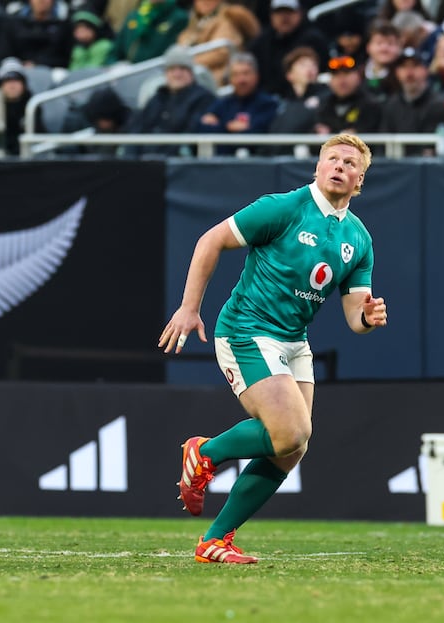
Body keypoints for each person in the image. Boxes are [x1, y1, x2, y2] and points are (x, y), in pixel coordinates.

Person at [158, 133, 388, 564]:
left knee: (293, 447)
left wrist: (368, 318)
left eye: (350, 163)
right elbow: (210, 241)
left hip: (293, 341)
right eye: (332, 158)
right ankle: (203, 452)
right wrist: (190, 309)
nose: (340, 166)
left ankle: (215, 541)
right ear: (317, 168)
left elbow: (356, 314)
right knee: (291, 432)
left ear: (360, 180)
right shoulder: (283, 208)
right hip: (247, 329)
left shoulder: (358, 238)